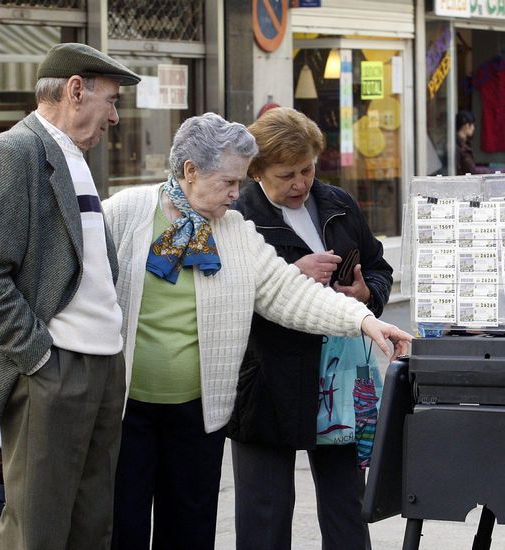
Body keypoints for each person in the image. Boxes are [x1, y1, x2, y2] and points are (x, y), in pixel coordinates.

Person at [103, 112, 413, 550]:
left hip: (198, 412)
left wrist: (364, 319)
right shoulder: (125, 212)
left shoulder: (233, 230)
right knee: (123, 527)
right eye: (229, 182)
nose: (237, 192)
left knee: (189, 531)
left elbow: (289, 292)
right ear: (190, 171)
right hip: (126, 410)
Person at [0, 43, 140, 550]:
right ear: (75, 90)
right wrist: (38, 356)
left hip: (103, 366)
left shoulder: (74, 157)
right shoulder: (12, 152)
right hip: (55, 369)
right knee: (36, 531)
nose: (114, 117)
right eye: (111, 101)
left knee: (93, 527)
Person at [226, 107, 392, 550]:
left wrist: (367, 294)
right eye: (286, 175)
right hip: (266, 379)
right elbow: (226, 294)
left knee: (347, 509)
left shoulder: (337, 203)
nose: (300, 183)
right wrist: (291, 274)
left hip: (338, 376)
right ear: (256, 171)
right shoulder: (237, 216)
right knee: (265, 514)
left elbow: (378, 266)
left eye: (307, 169)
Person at [456, 109, 488, 175]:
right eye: (472, 125)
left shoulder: (465, 144)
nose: (473, 128)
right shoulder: (457, 147)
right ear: (466, 125)